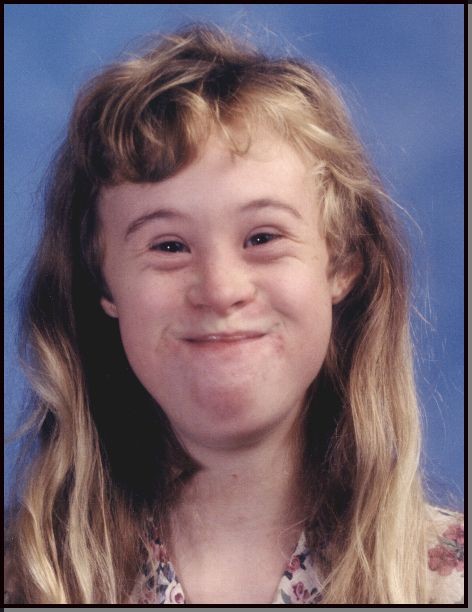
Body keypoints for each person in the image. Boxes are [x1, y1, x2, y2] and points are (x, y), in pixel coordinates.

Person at [4, 23, 463, 605]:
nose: (220, 290)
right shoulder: (24, 580)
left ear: (342, 264)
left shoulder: (448, 581)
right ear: (103, 282)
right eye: (169, 245)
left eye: (263, 237)